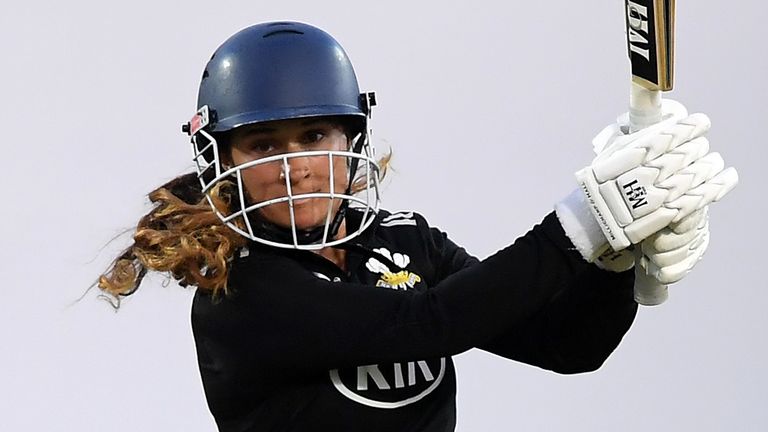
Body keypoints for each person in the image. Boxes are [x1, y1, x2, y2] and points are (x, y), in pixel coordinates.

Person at [98, 21, 736, 432]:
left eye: (314, 135)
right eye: (264, 145)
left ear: (353, 138)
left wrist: (616, 260)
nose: (295, 167)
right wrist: (587, 223)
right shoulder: (237, 293)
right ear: (220, 159)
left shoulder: (402, 240)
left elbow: (568, 347)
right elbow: (423, 325)